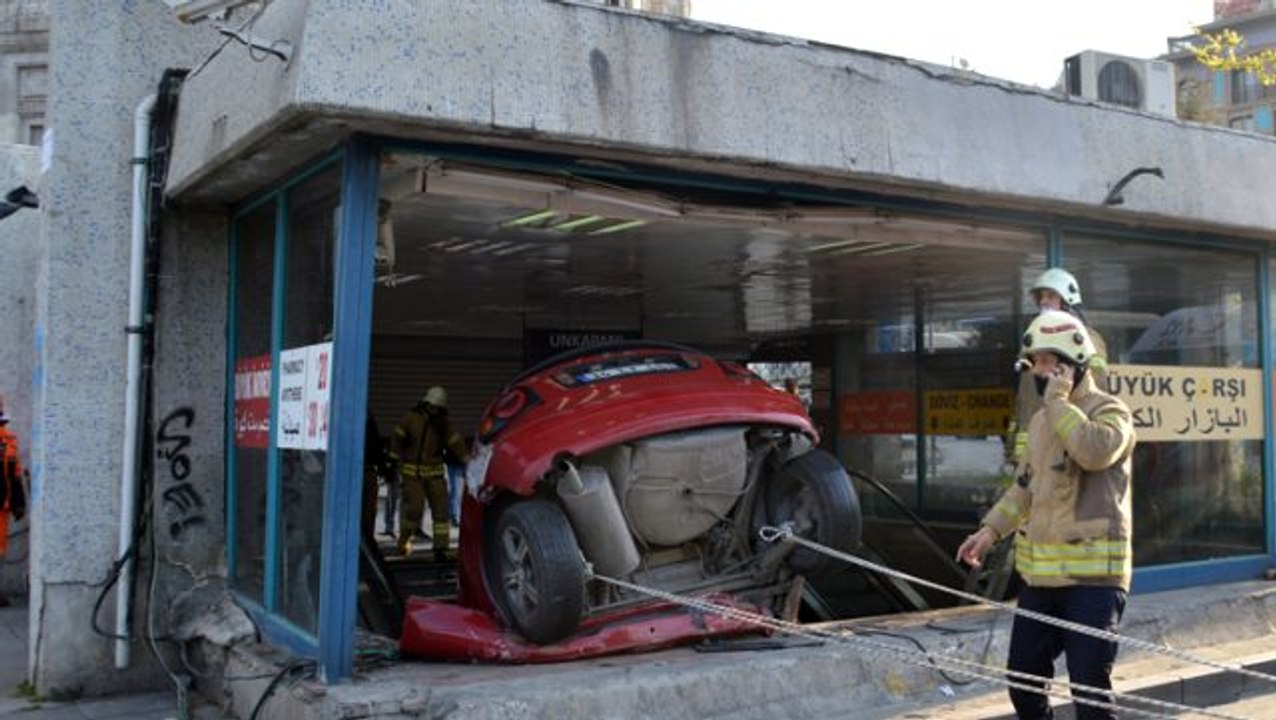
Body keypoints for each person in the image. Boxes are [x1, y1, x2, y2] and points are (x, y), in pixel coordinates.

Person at [957, 310, 1136, 720]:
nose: (1036, 371)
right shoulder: (1039, 422)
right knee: (1023, 682)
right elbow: (1024, 487)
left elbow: (1092, 451)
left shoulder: (1112, 412)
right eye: (1033, 363)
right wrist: (989, 531)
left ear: (1069, 364)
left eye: (1043, 362)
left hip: (1094, 582)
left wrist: (1058, 402)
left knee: (1090, 694)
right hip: (1041, 582)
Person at [1008, 268, 1109, 467]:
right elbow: (1025, 398)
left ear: (1068, 300)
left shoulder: (1086, 339)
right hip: (1033, 447)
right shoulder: (1034, 337)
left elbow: (1094, 387)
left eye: (1051, 295)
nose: (1044, 301)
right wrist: (1013, 446)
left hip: (1063, 446)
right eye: (1041, 297)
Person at [389, 386, 468, 562]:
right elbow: (397, 437)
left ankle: (441, 548)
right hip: (412, 474)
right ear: (426, 404)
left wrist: (468, 461)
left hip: (435, 475)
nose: (434, 410)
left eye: (437, 408)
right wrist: (392, 459)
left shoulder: (444, 424)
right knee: (414, 510)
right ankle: (404, 542)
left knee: (441, 513)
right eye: (432, 406)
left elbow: (456, 443)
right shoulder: (411, 419)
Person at [0, 407, 28, 608]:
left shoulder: (8, 442)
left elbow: (15, 474)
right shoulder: (8, 441)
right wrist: (19, 504)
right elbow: (15, 475)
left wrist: (17, 503)